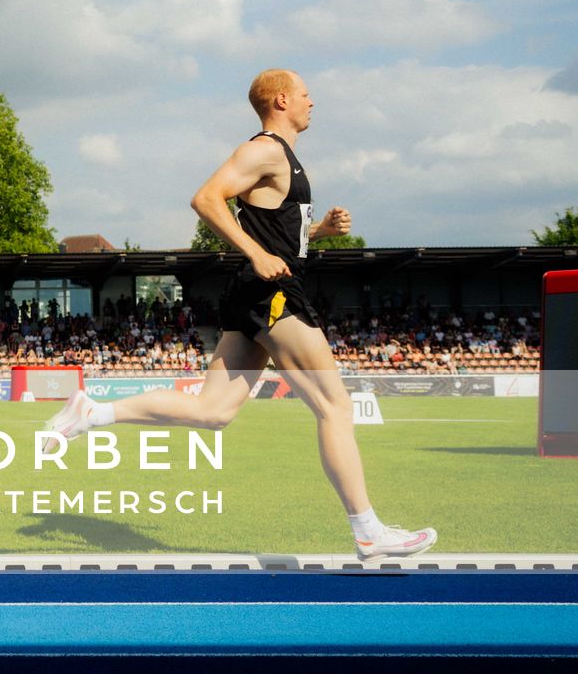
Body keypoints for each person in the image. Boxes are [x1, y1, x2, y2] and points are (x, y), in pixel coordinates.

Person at [40, 69, 435, 559]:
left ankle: (92, 413)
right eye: (308, 96)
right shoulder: (265, 149)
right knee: (335, 407)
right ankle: (368, 530)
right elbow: (205, 198)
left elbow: (279, 235)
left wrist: (321, 233)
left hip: (258, 292)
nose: (314, 103)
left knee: (215, 412)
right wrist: (254, 252)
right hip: (273, 293)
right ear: (282, 99)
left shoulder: (284, 158)